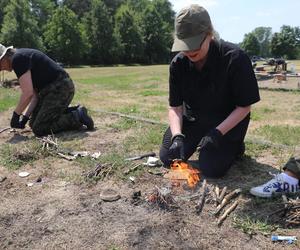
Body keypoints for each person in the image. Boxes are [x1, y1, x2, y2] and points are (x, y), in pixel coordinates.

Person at [159, 4, 260, 178]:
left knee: (212, 168)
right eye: (185, 45)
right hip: (194, 118)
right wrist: (177, 136)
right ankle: (196, 140)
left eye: (195, 44)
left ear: (209, 34)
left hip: (226, 122)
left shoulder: (235, 58)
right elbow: (175, 107)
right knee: (169, 157)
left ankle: (235, 146)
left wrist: (216, 133)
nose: (189, 51)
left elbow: (244, 107)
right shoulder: (178, 64)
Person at [0, 44, 94, 136]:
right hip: (53, 90)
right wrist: (25, 118)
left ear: (4, 57)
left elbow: (27, 93)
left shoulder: (18, 59)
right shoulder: (20, 57)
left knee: (40, 128)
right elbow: (34, 96)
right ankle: (74, 112)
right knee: (33, 124)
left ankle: (77, 116)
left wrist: (16, 115)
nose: (0, 69)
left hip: (60, 88)